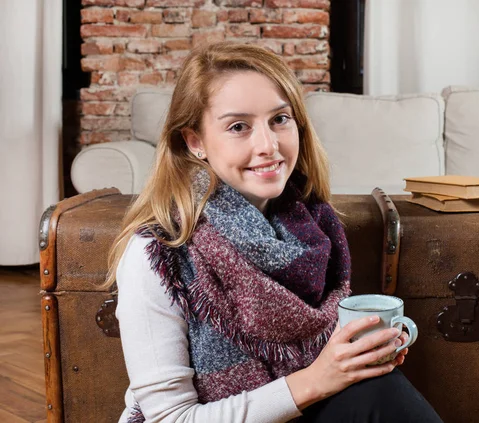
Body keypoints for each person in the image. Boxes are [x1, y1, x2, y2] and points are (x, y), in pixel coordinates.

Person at [106, 42, 443, 423]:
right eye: (238, 127)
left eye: (280, 119)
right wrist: (317, 380)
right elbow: (170, 418)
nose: (268, 146)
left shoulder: (316, 229)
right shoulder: (159, 252)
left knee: (379, 387)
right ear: (195, 141)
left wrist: (354, 361)